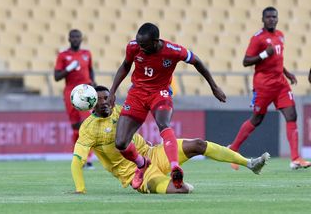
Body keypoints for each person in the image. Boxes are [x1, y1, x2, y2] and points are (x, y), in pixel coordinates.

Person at [71, 85, 270, 194]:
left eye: (107, 98)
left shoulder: (121, 110)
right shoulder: (88, 129)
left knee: (199, 144)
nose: (105, 102)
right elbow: (76, 162)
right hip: (135, 175)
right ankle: (173, 183)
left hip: (154, 154)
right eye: (100, 99)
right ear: (91, 104)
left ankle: (250, 163)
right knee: (182, 191)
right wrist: (80, 190)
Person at [107, 23, 227, 190]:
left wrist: (214, 86)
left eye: (144, 45)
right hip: (137, 94)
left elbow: (198, 62)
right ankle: (142, 164)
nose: (140, 47)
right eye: (139, 43)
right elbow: (125, 66)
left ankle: (174, 167)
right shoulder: (134, 47)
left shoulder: (174, 50)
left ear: (155, 41)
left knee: (163, 124)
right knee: (120, 143)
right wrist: (112, 91)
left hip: (160, 93)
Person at [228, 7, 311, 170]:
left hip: (280, 84)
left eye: (274, 17)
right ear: (263, 19)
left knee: (291, 115)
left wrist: (287, 73)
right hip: (263, 85)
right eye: (268, 17)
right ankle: (233, 149)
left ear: (277, 19)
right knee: (257, 119)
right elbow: (246, 61)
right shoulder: (257, 39)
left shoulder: (280, 35)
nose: (271, 19)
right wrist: (264, 54)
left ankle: (295, 158)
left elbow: (277, 59)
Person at [54, 29, 96, 169]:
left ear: (81, 38)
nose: (76, 39)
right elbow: (57, 77)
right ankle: (78, 157)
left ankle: (87, 158)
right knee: (75, 127)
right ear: (69, 39)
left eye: (78, 36)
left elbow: (90, 70)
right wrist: (68, 69)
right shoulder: (63, 55)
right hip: (71, 93)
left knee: (87, 125)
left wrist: (93, 84)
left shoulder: (86, 54)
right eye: (73, 37)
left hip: (85, 92)